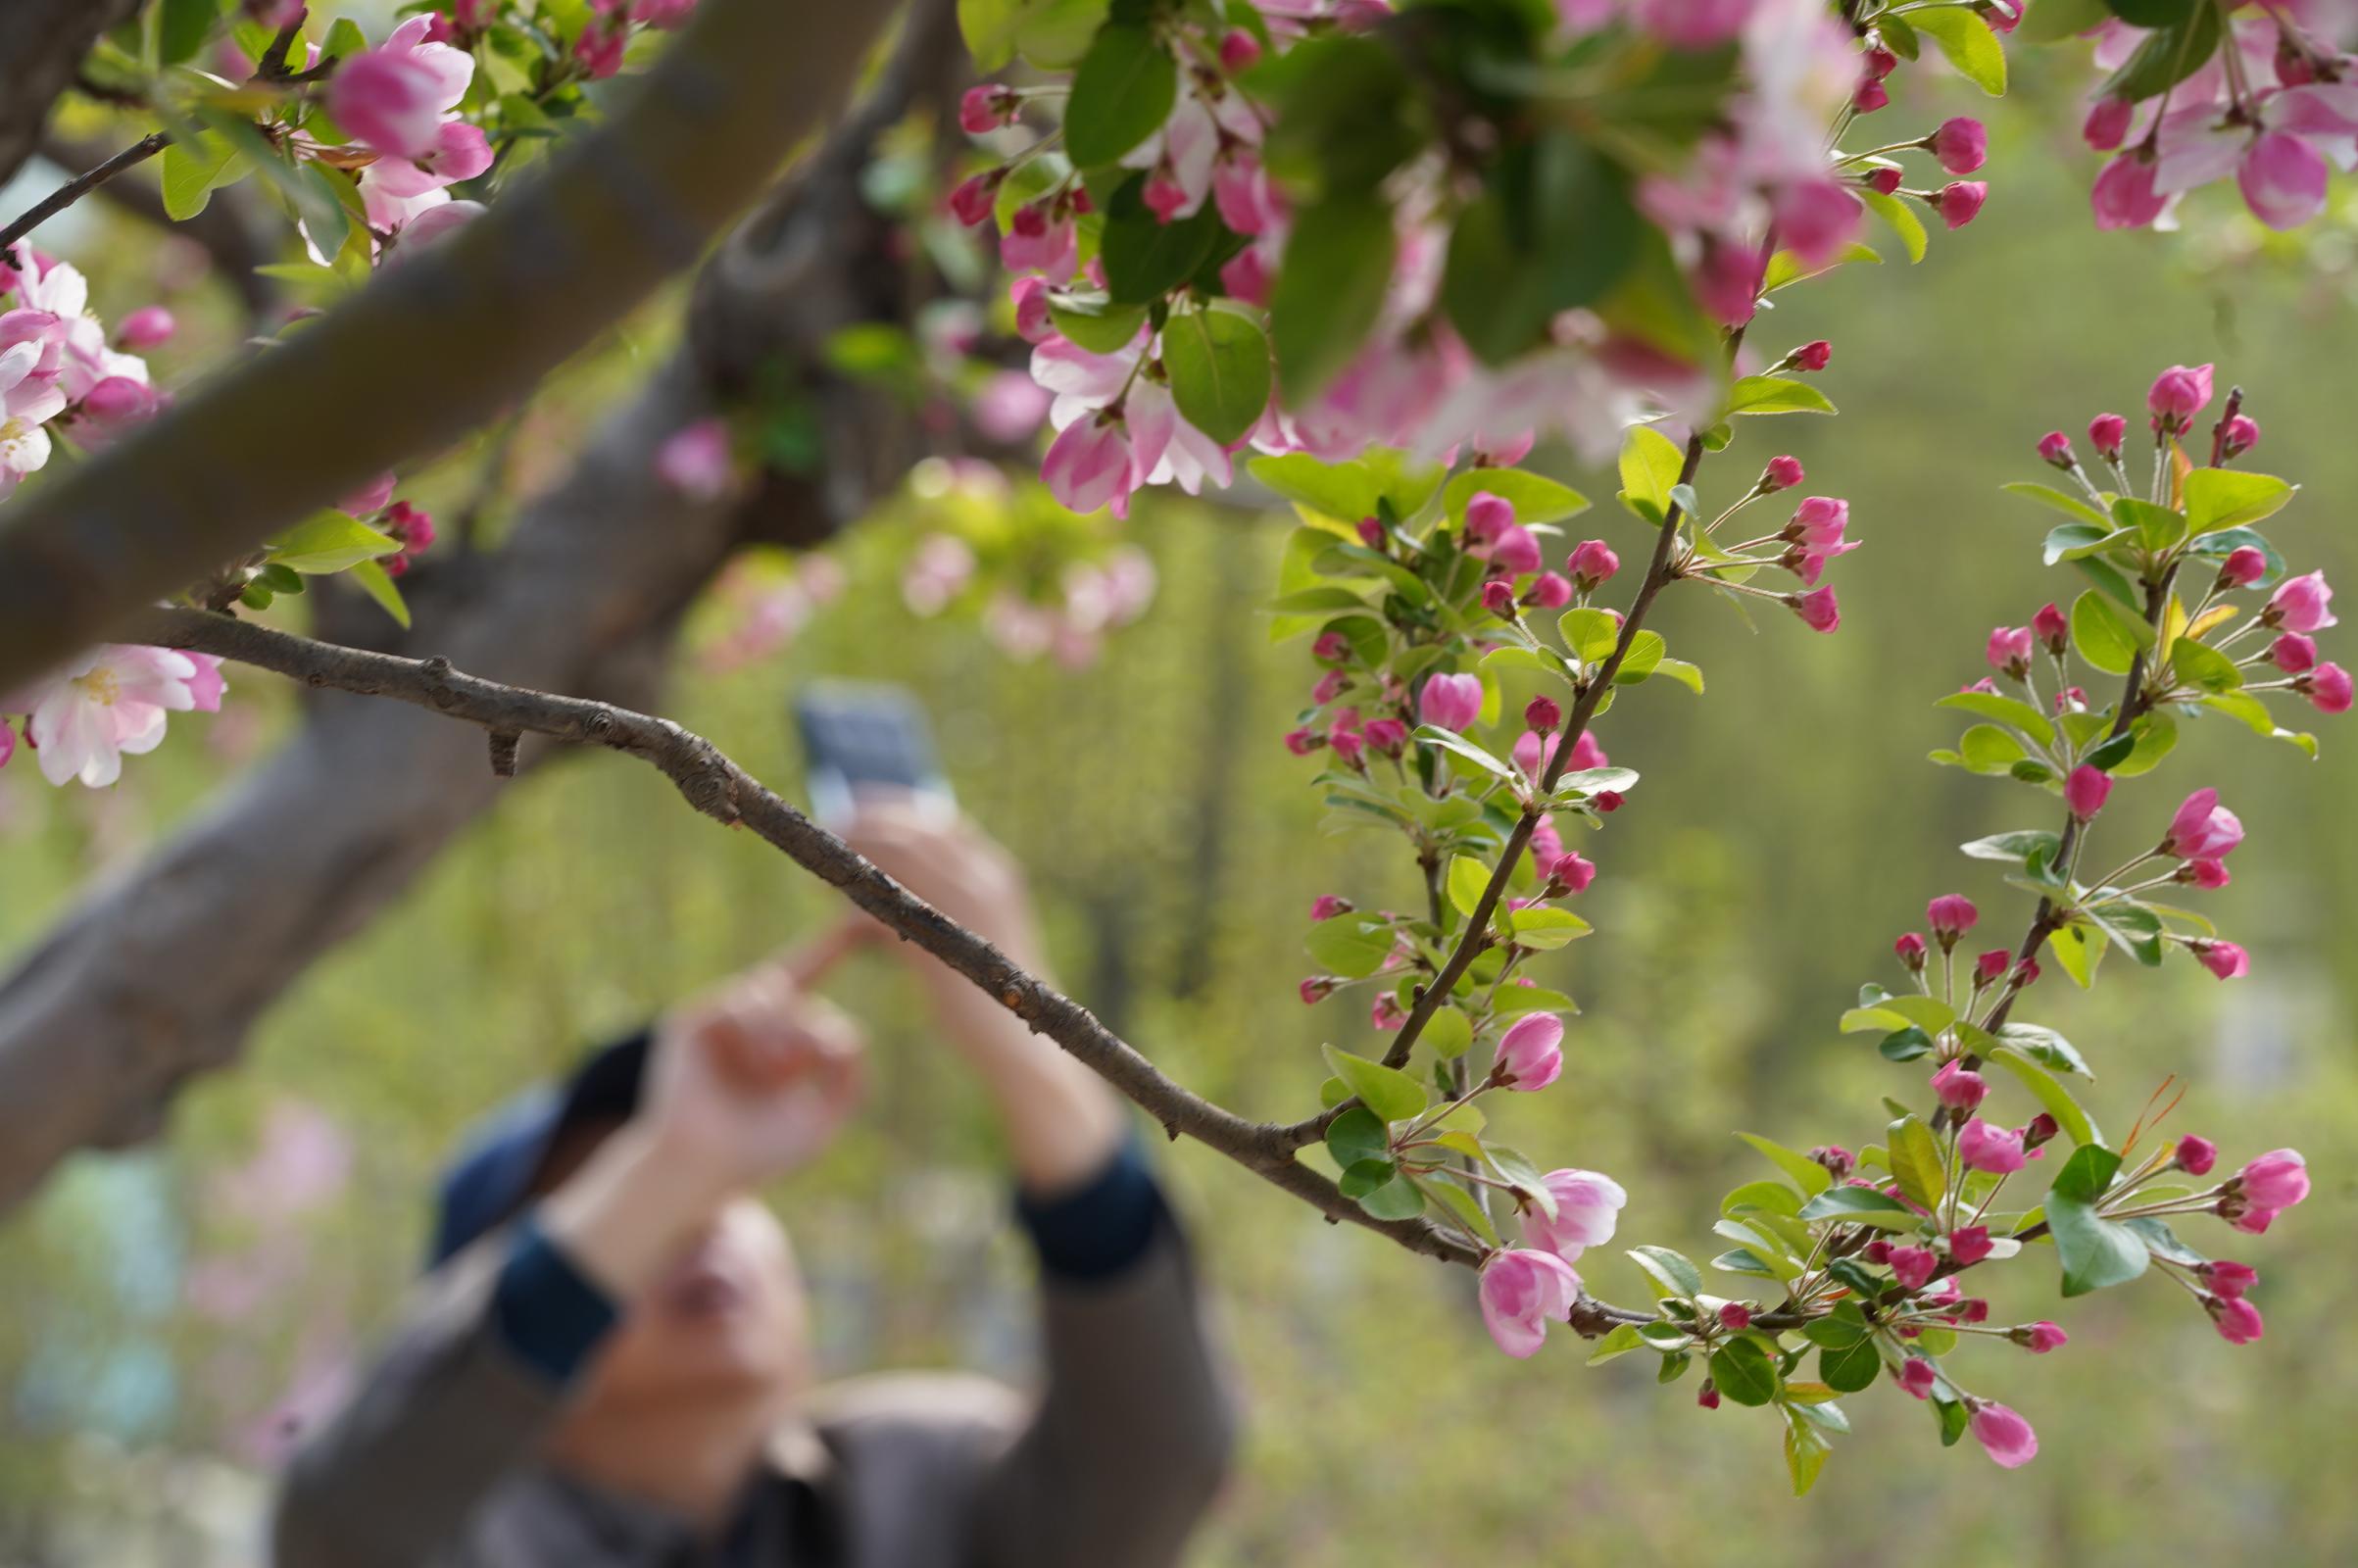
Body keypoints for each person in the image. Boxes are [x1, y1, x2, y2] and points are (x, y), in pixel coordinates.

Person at [271, 801, 1236, 1567]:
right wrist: (678, 1159)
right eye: (626, 1203)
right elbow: (347, 1516)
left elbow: (1153, 1464)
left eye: (728, 1192)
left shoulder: (922, 1484)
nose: (696, 1224)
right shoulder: (456, 1539)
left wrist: (1025, 1032)